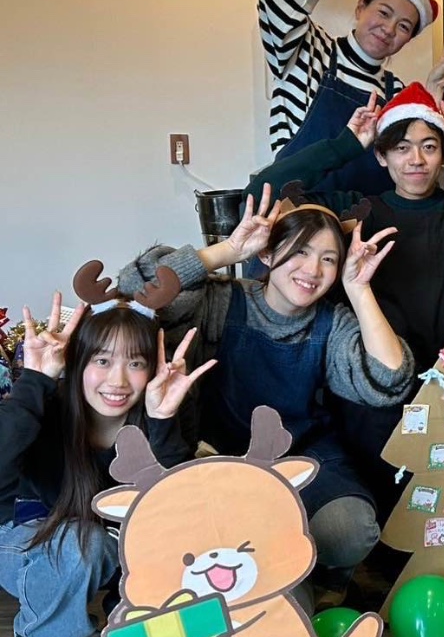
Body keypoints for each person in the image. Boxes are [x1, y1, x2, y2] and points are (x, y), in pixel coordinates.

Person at [116, 190, 415, 610]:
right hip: (219, 458)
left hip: (305, 456)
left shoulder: (332, 322)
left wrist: (358, 288)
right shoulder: (222, 299)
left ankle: (328, 581)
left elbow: (390, 380)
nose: (312, 269)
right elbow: (137, 285)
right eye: (300, 251)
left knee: (351, 530)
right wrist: (229, 251)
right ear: (269, 254)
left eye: (328, 259)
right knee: (243, 547)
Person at [245, 84, 444, 515]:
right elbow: (265, 188)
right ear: (381, 155)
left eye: (430, 146)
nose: (416, 160)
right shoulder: (357, 213)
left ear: (443, 156)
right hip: (374, 393)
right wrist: (345, 145)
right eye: (402, 147)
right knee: (386, 512)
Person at [0, 287, 212, 637]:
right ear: (78, 362)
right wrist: (35, 380)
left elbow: (173, 514)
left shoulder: (162, 411)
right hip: (21, 540)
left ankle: (120, 629)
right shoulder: (46, 406)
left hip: (107, 552)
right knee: (83, 544)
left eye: (135, 363)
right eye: (102, 361)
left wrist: (163, 421)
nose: (117, 381)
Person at [259, 0, 444, 195]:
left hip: (367, 217)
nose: (389, 29)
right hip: (299, 213)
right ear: (360, 7)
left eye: (404, 26)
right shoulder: (309, 50)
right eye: (384, 12)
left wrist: (432, 89)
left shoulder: (395, 91)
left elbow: (413, 164)